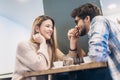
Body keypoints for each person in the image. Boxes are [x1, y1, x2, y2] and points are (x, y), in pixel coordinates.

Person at [12, 15, 85, 80]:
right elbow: (40, 67)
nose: (51, 30)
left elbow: (69, 62)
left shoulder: (50, 48)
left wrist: (73, 41)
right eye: (47, 26)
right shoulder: (23, 45)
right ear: (37, 29)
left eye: (52, 27)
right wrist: (43, 43)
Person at [67, 3, 120, 80]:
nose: (76, 26)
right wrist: (73, 41)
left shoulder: (98, 20)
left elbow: (97, 54)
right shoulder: (98, 28)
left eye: (77, 22)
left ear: (87, 19)